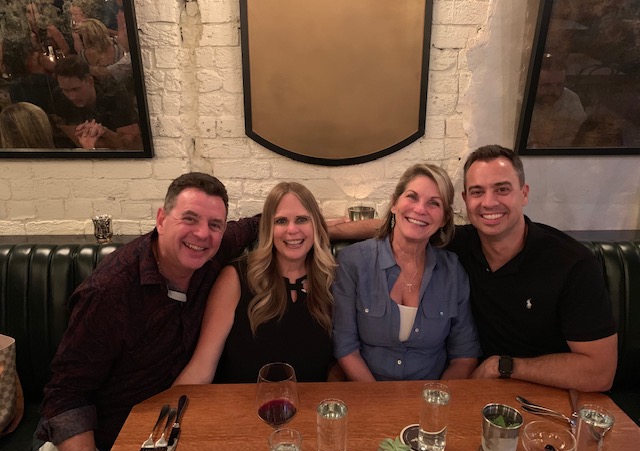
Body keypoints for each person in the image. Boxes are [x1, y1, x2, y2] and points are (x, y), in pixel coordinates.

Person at [34, 173, 261, 451]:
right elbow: (66, 394)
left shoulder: (214, 249)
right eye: (189, 219)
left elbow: (261, 223)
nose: (202, 233)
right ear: (161, 219)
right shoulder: (110, 290)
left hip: (176, 427)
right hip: (106, 442)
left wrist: (324, 226)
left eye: (215, 224)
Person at [448, 144, 618, 391]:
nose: (489, 202)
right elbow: (406, 232)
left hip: (549, 394)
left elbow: (600, 372)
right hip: (477, 393)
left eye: (502, 189)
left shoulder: (572, 264)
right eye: (477, 192)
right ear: (465, 200)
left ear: (524, 194)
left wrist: (503, 366)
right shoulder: (455, 246)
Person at [174, 182, 336, 385]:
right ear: (268, 228)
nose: (292, 229)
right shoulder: (235, 277)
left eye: (302, 219)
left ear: (316, 225)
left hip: (311, 403)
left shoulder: (331, 279)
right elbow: (202, 366)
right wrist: (171, 402)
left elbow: (342, 357)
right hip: (241, 402)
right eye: (281, 221)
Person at [332, 164, 482, 381]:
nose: (420, 209)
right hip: (367, 390)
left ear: (444, 218)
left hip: (431, 394)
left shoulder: (452, 271)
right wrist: (377, 398)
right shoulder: (353, 261)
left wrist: (434, 398)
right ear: (394, 203)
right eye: (412, 197)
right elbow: (346, 346)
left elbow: (464, 354)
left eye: (434, 203)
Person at [51, 55, 140, 149]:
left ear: (90, 81)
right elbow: (79, 142)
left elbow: (134, 145)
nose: (71, 97)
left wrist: (105, 132)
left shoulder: (114, 94)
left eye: (75, 89)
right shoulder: (59, 97)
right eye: (65, 90)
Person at [527, 53, 586, 148]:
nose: (554, 92)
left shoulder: (571, 99)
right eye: (546, 85)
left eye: (559, 85)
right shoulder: (521, 102)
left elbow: (580, 138)